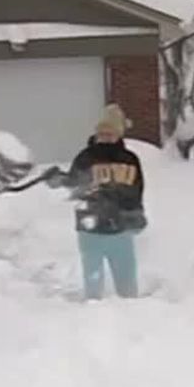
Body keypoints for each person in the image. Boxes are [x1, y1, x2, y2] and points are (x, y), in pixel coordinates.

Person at [68, 104, 147, 300]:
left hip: (121, 227)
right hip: (91, 228)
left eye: (110, 133)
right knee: (93, 281)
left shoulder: (129, 159)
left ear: (119, 135)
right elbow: (73, 185)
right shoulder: (85, 158)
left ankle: (133, 311)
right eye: (102, 133)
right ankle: (93, 312)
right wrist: (62, 181)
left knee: (127, 281)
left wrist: (137, 212)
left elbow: (137, 188)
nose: (105, 137)